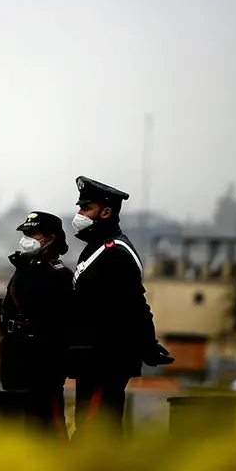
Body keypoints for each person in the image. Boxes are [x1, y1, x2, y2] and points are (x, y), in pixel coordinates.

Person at [67, 176, 174, 439]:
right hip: (89, 356)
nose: (79, 215)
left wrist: (148, 345)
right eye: (80, 208)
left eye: (86, 209)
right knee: (88, 422)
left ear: (106, 212)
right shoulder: (95, 248)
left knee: (98, 426)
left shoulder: (116, 252)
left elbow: (135, 305)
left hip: (107, 357)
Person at [0, 211, 74, 439]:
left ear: (50, 239)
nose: (26, 238)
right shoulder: (24, 268)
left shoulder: (58, 275)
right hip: (15, 355)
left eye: (32, 233)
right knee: (17, 423)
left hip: (42, 362)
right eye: (25, 233)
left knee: (46, 424)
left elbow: (64, 323)